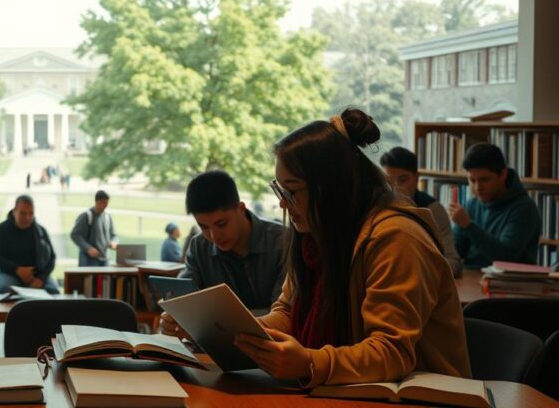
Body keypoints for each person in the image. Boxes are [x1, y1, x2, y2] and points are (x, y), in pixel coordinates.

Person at [228, 109, 469, 386]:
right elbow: (288, 311)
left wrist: (308, 362)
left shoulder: (396, 238)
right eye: (280, 190)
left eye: (292, 191)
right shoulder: (318, 233)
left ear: (331, 188)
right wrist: (242, 332)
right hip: (347, 390)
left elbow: (391, 353)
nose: (283, 203)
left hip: (417, 397)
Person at [174, 170, 286, 311]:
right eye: (204, 227)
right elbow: (183, 299)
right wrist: (174, 316)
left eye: (221, 224)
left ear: (241, 208)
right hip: (217, 332)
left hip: (276, 332)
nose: (214, 236)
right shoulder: (199, 246)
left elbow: (283, 312)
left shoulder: (283, 242)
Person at [450, 143, 541, 267]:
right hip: (470, 279)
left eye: (484, 180)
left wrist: (468, 225)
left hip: (510, 283)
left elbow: (506, 256)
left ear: (503, 175)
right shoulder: (471, 204)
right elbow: (455, 252)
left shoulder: (524, 207)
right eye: (472, 180)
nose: (478, 187)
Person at [380, 147, 464, 276]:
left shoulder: (433, 210)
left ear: (416, 178)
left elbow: (453, 262)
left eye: (403, 180)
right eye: (389, 182)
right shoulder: (376, 210)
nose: (395, 188)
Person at [0, 195, 59, 294]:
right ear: (14, 211)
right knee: (4, 289)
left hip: (38, 276)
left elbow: (52, 257)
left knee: (53, 292)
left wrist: (41, 278)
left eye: (31, 213)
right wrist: (17, 270)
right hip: (9, 273)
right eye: (23, 213)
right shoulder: (0, 230)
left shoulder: (40, 231)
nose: (28, 218)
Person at [70, 190, 117, 266]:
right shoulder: (86, 216)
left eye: (106, 203)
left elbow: (113, 235)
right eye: (103, 203)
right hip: (89, 260)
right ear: (97, 202)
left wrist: (113, 241)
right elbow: (75, 234)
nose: (105, 205)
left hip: (105, 259)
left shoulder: (107, 217)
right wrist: (88, 248)